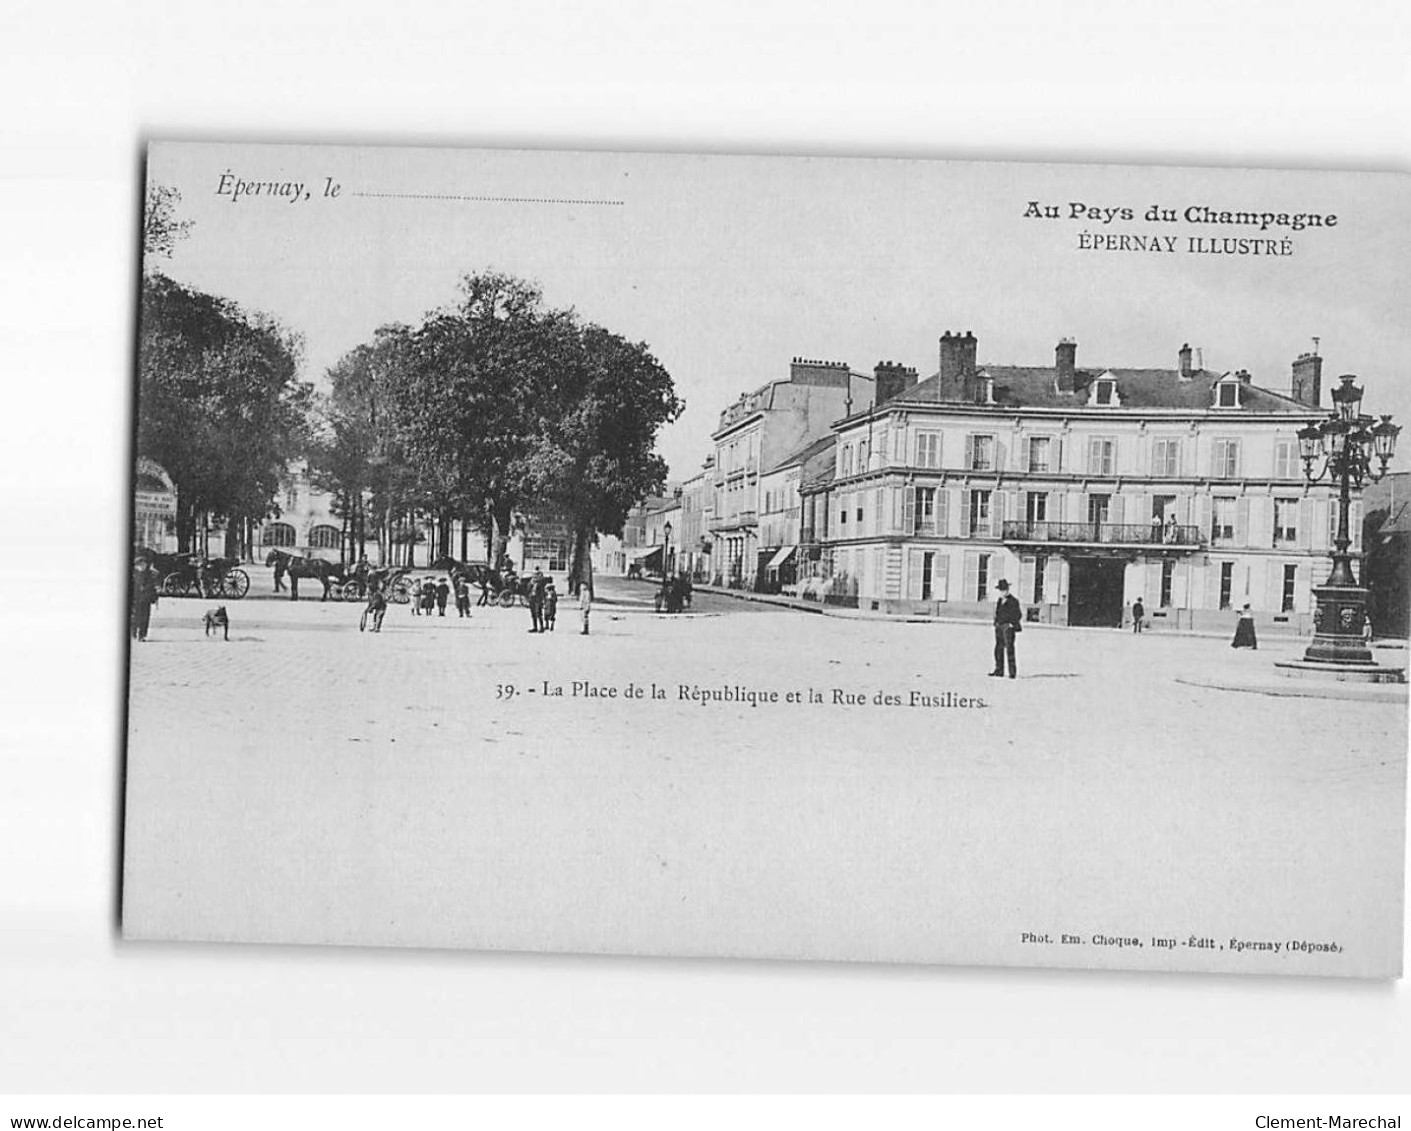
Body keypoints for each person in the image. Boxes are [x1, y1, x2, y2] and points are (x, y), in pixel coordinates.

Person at [990, 578, 1022, 678]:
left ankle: (1012, 672)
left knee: (1009, 649)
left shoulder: (1013, 601)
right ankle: (999, 670)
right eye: (1000, 590)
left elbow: (1018, 614)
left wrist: (1012, 624)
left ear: (1008, 589)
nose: (1002, 592)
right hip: (999, 627)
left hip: (1008, 628)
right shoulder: (1000, 600)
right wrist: (996, 622)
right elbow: (998, 613)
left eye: (1004, 590)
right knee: (998, 648)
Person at [130, 561, 159, 642]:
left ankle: (142, 635)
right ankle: (134, 632)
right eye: (141, 565)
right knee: (135, 617)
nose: (142, 566)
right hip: (136, 599)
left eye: (144, 564)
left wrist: (154, 597)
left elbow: (153, 587)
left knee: (145, 618)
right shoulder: (134, 574)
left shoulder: (149, 575)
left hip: (146, 599)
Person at [527, 566, 547, 633]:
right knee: (533, 613)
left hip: (538, 599)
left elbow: (542, 592)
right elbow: (528, 589)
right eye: (534, 575)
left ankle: (541, 627)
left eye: (536, 575)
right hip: (532, 598)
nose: (535, 577)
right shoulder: (531, 582)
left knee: (538, 613)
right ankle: (535, 627)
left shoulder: (541, 583)